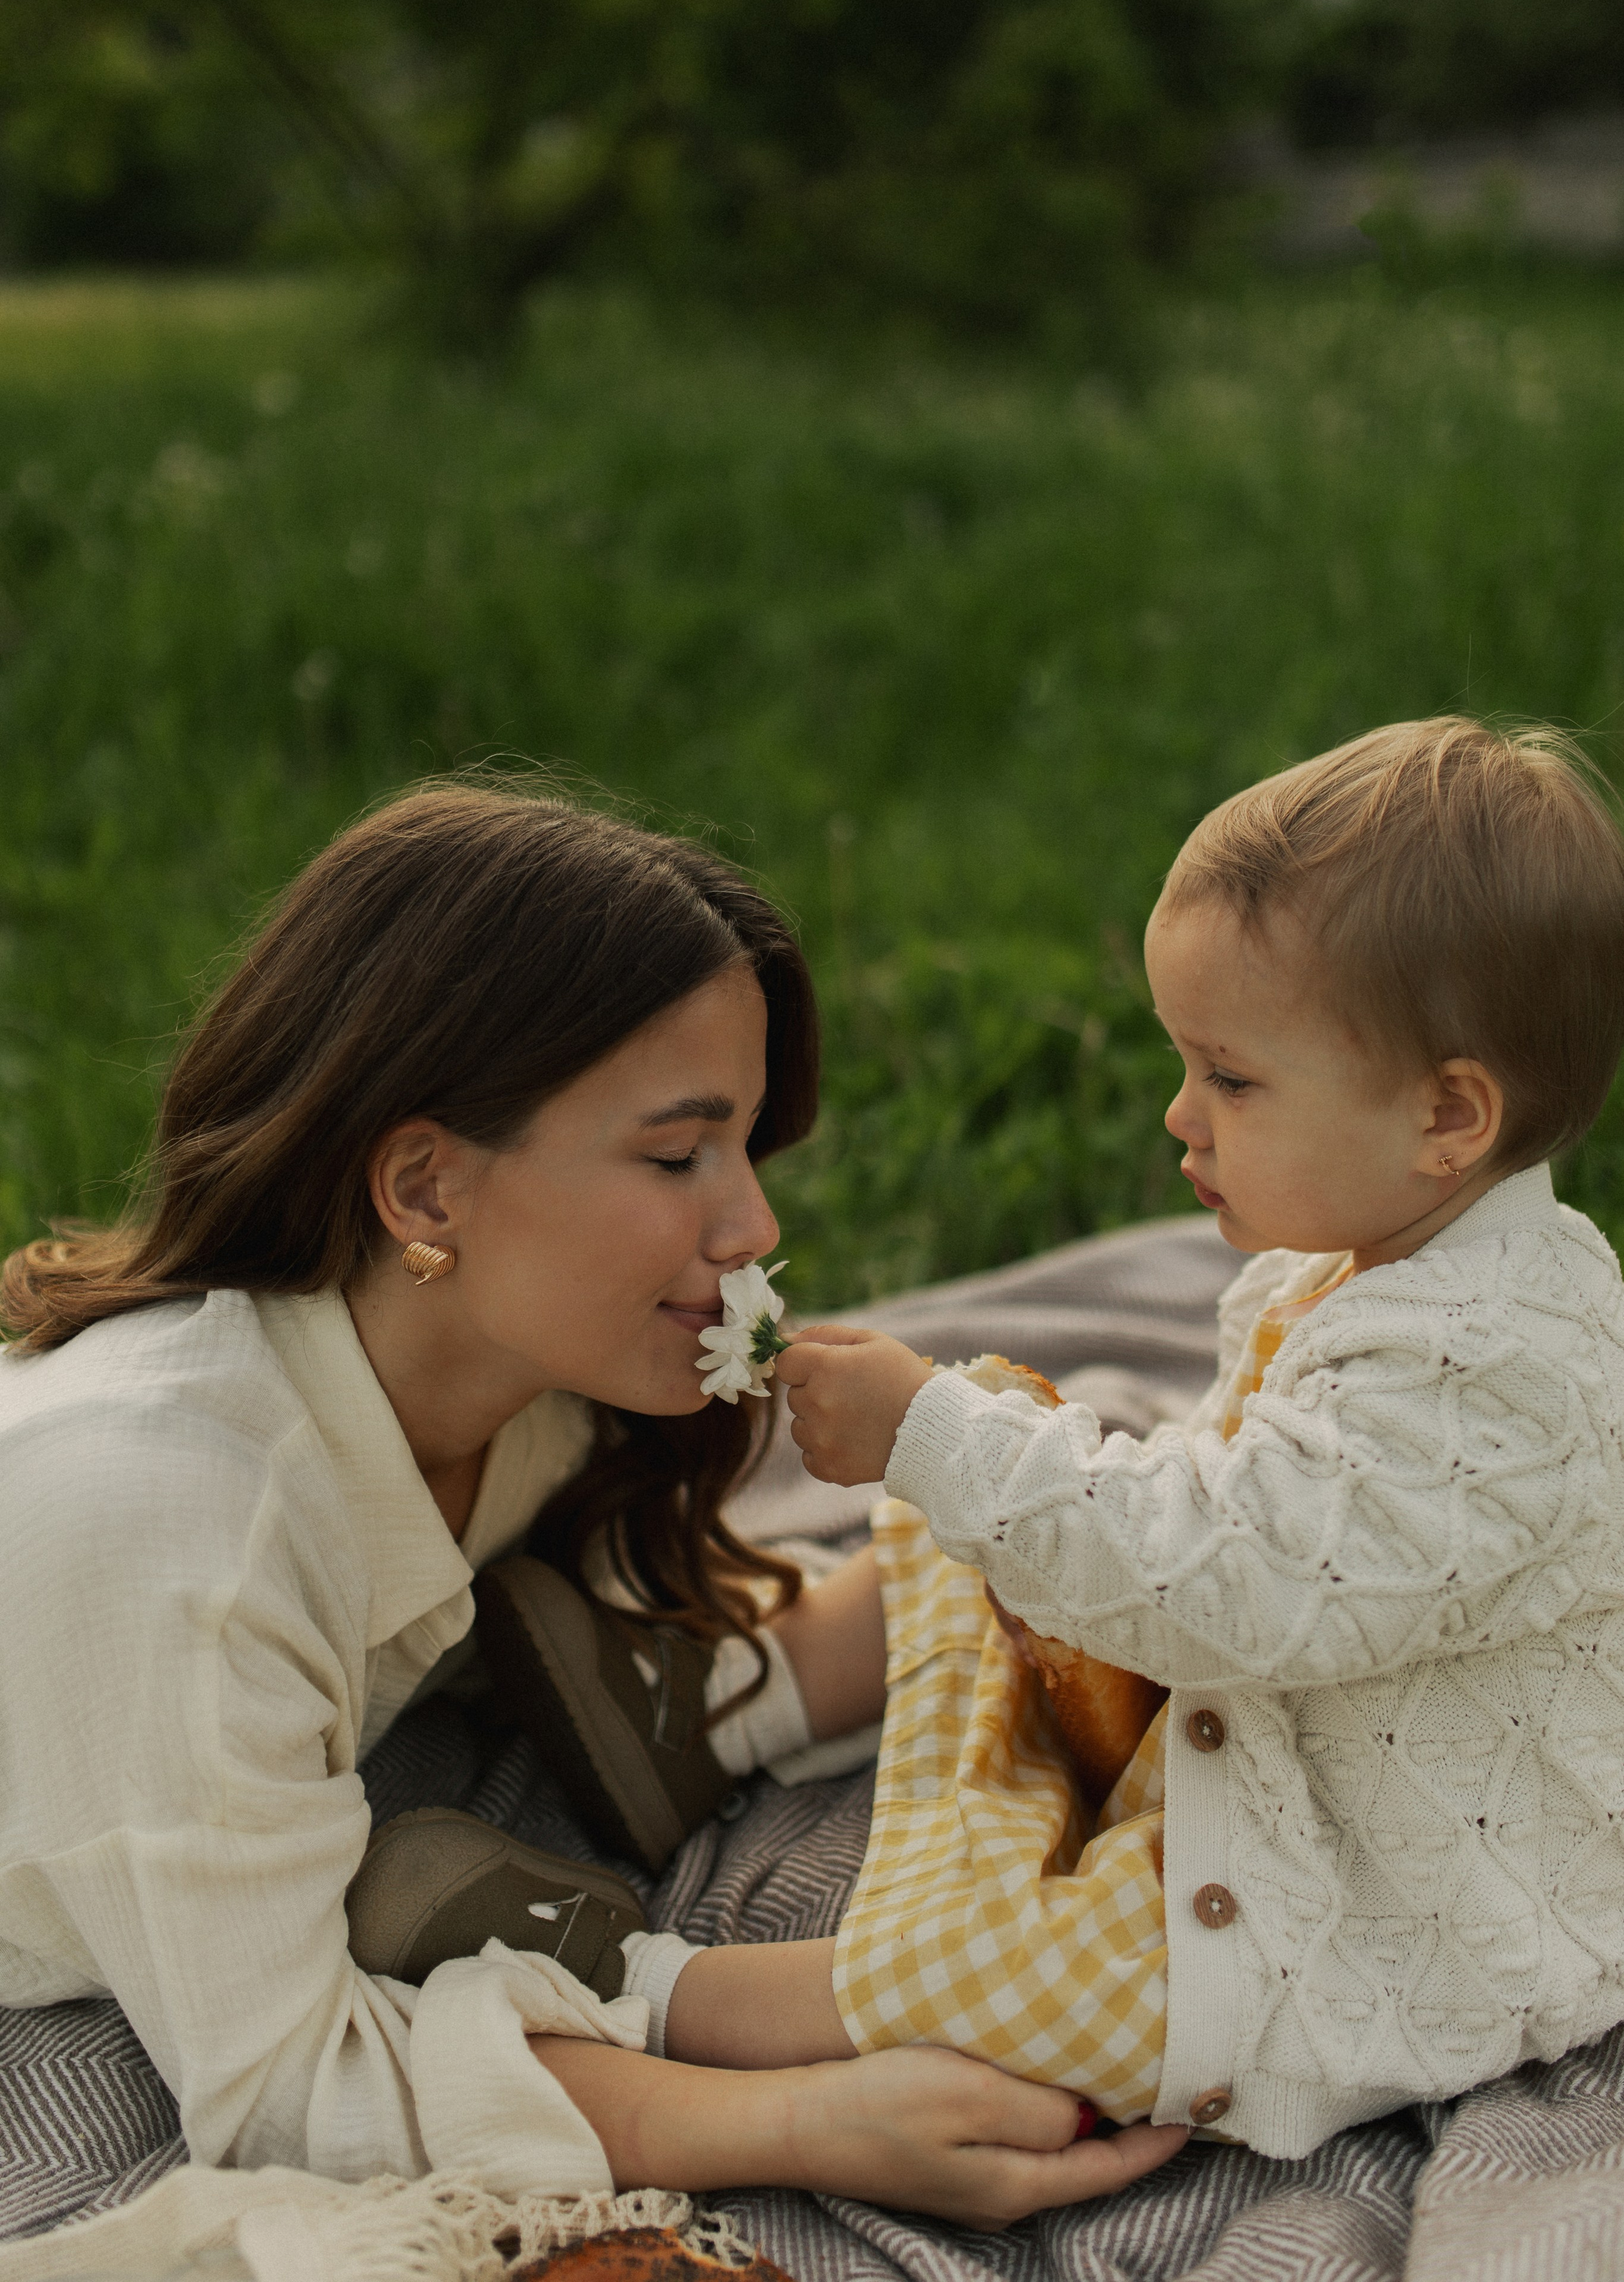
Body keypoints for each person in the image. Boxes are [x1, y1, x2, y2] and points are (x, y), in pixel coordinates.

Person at [0, 778, 1183, 2226]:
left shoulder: (526, 1375)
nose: (753, 1224)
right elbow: (296, 2094)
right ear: (424, 1190)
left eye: (745, 1147)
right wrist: (806, 2121)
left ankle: (659, 1713)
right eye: (676, 1155)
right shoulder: (175, 1539)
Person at [610, 717, 1624, 2161]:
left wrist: (940, 1440)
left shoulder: (1496, 1376)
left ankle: (638, 1993)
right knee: (979, 1470)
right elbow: (1210, 1511)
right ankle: (723, 1711)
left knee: (1031, 1973)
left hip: (1341, 1911)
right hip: (1242, 1712)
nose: (1177, 1115)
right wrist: (968, 1452)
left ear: (1446, 1117)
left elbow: (1237, 1582)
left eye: (1231, 1080)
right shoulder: (1357, 1255)